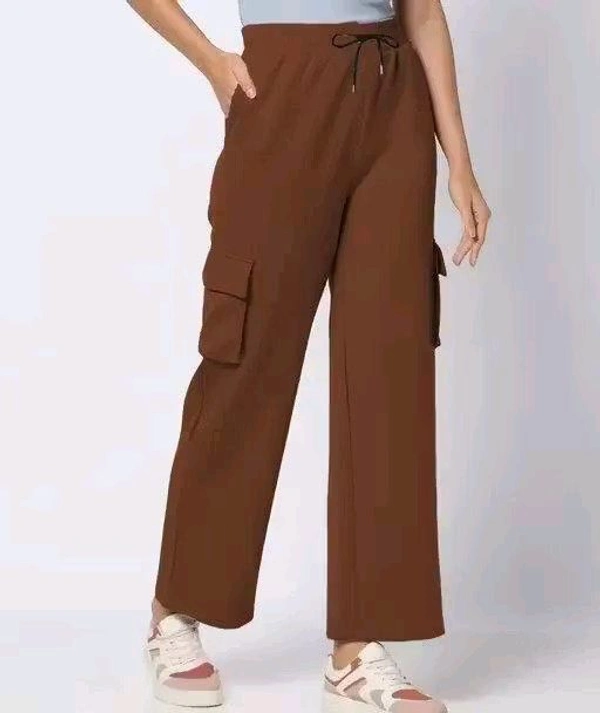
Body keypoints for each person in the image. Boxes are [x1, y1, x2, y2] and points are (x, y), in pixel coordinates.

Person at [127, 0, 491, 710]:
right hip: (284, 89)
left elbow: (422, 12)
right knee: (248, 353)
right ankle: (175, 608)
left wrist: (460, 162)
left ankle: (358, 647)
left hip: (395, 103)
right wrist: (212, 62)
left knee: (389, 371)